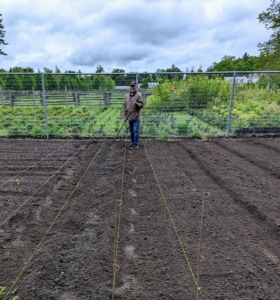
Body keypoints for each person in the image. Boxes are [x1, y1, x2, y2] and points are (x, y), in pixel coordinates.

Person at [123, 81, 144, 149]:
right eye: (131, 86)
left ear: (136, 87)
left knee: (136, 131)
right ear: (130, 87)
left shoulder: (139, 95)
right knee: (131, 131)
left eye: (134, 86)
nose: (132, 87)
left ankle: (135, 144)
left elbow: (141, 104)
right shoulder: (126, 96)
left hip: (136, 117)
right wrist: (125, 116)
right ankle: (133, 143)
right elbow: (125, 107)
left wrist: (137, 104)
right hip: (129, 117)